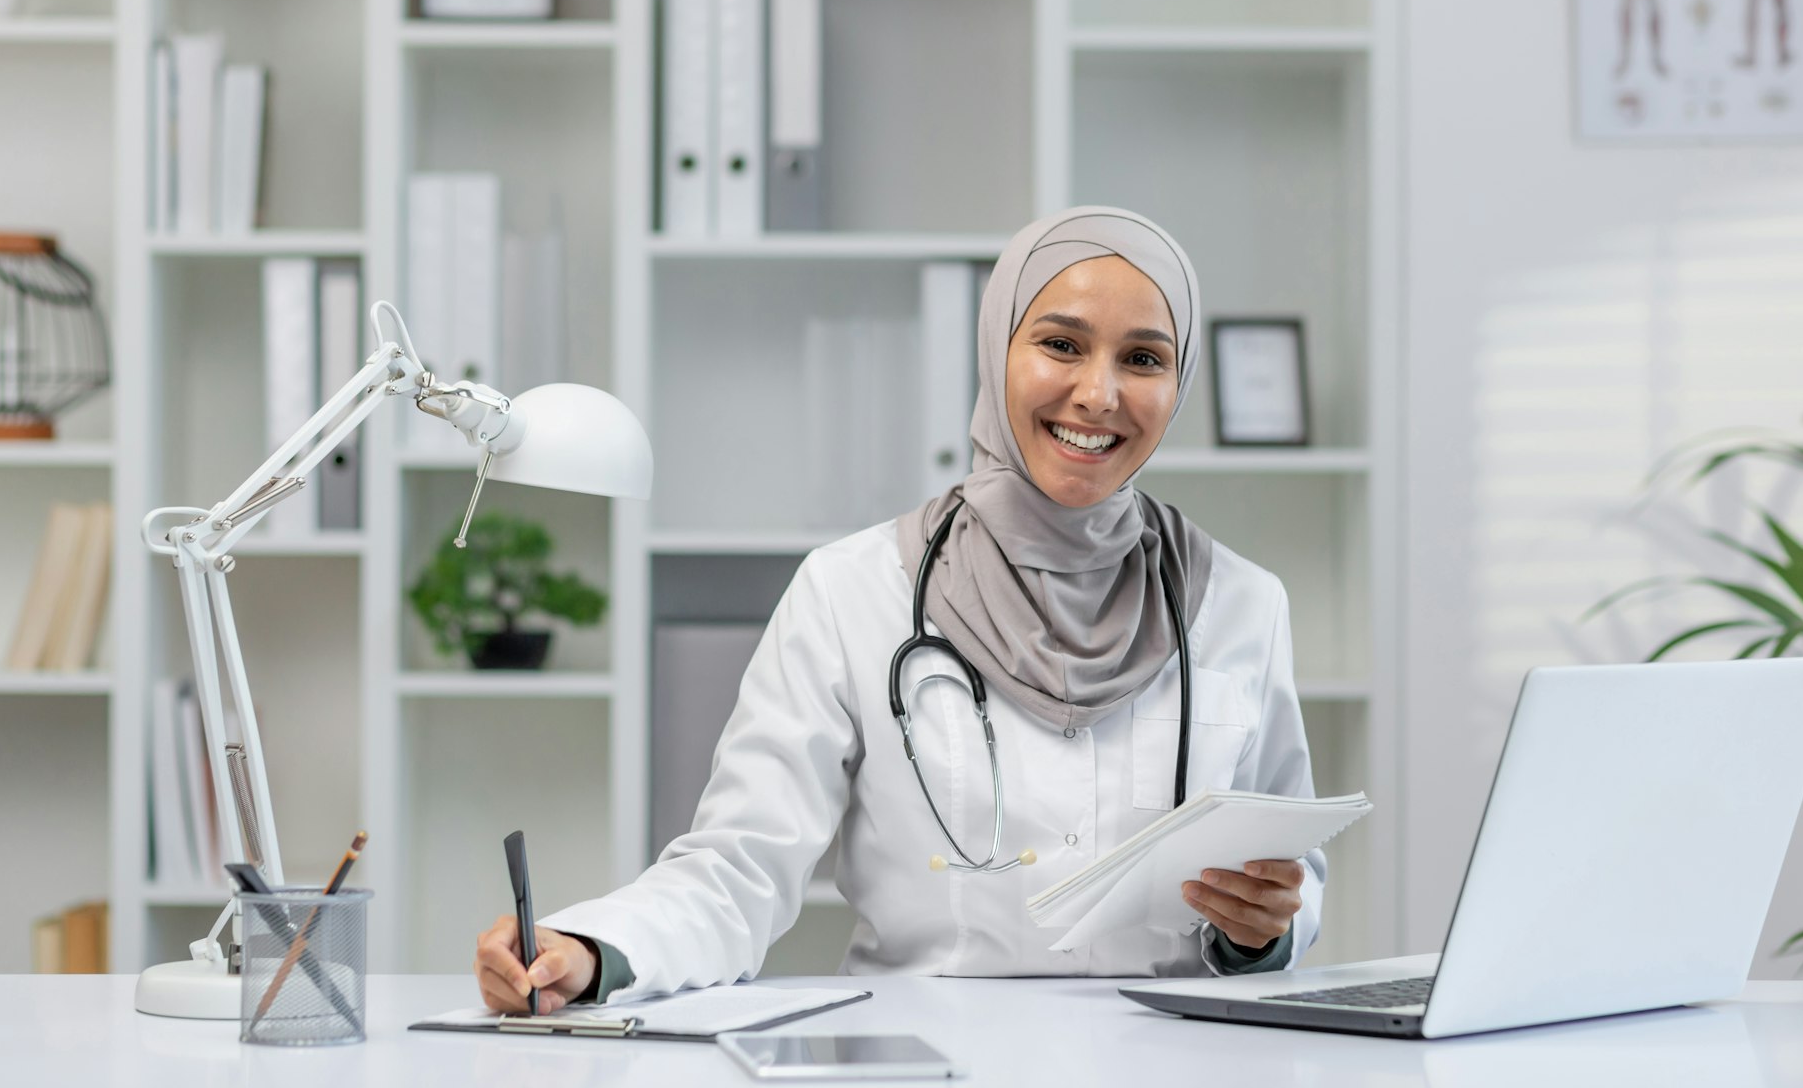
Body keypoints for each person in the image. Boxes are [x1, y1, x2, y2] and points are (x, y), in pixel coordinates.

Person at [473, 207, 1328, 1011]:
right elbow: (739, 869)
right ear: (997, 351)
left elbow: (1292, 870)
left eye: (1143, 358)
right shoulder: (850, 592)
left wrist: (1266, 928)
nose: (1099, 394)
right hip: (930, 1072)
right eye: (1061, 343)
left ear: (1178, 385)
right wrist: (592, 950)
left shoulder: (1241, 603)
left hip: (1176, 1081)